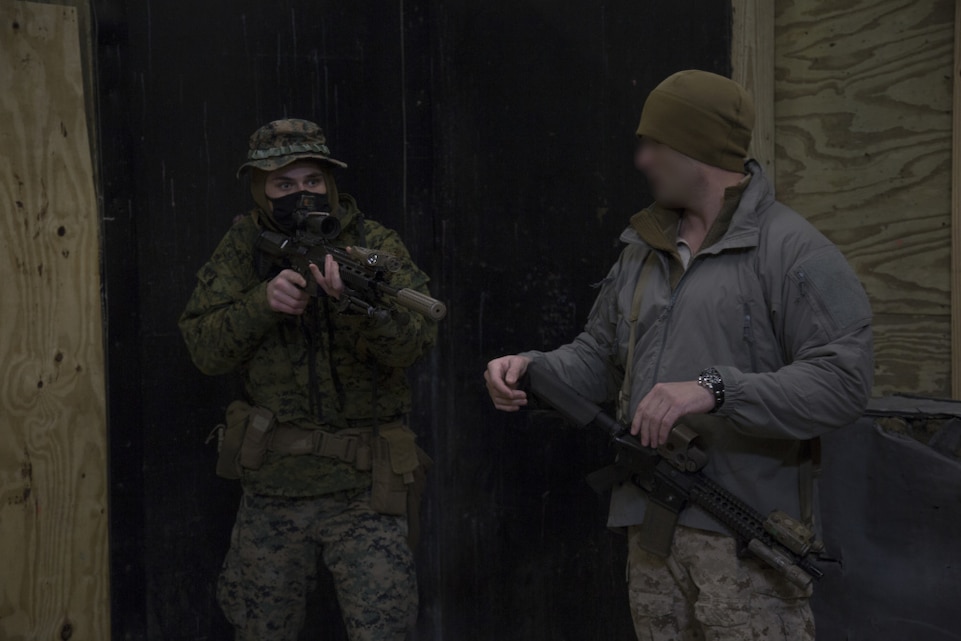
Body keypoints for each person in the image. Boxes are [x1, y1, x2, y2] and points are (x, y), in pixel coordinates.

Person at [484, 70, 873, 640]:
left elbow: (844, 380)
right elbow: (599, 354)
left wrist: (716, 388)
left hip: (746, 547)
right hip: (651, 535)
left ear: (697, 150)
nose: (641, 159)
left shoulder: (793, 251)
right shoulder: (643, 249)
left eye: (654, 144)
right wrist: (531, 369)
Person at [179, 118, 437, 641]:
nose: (303, 194)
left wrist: (357, 308)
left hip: (367, 490)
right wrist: (261, 303)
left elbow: (416, 341)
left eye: (313, 181)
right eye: (284, 184)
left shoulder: (371, 245)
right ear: (259, 188)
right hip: (275, 488)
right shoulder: (242, 248)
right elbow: (203, 348)